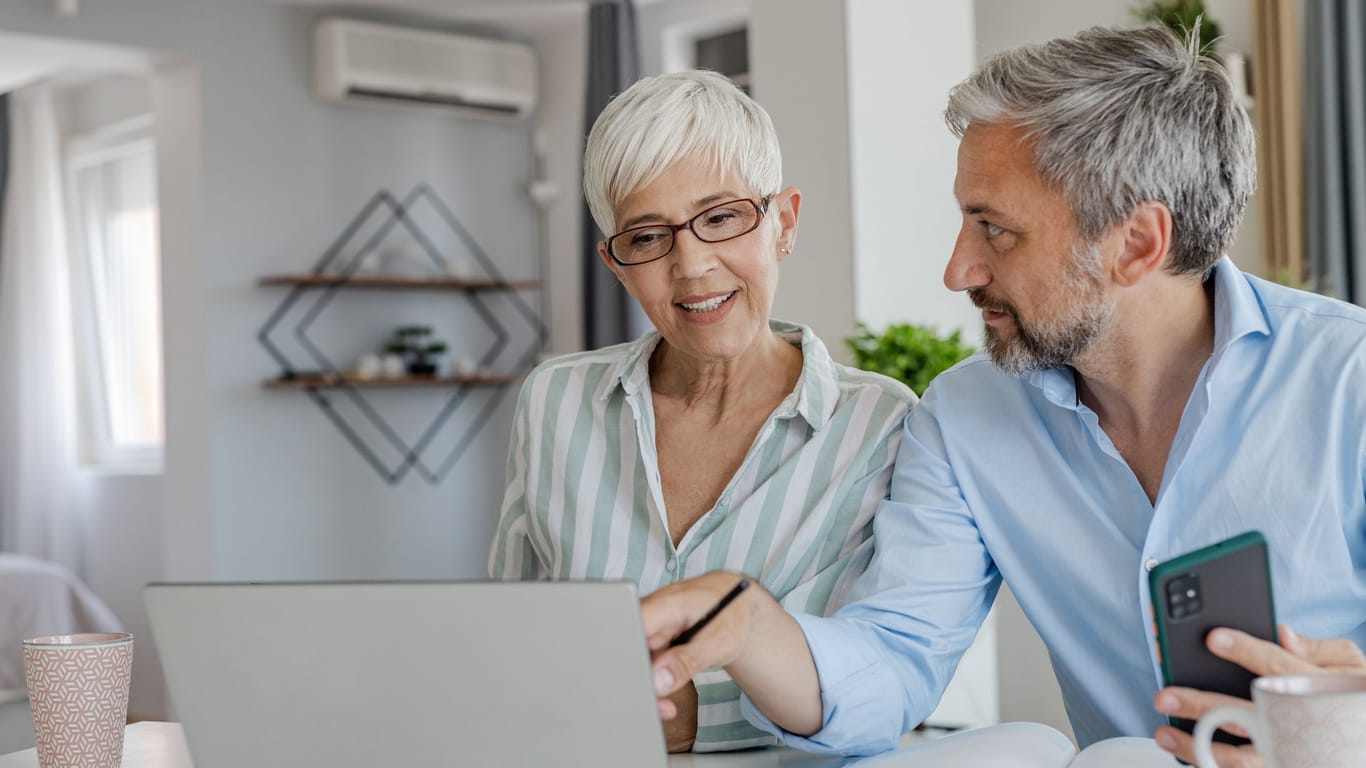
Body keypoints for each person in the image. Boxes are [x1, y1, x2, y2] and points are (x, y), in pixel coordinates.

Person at [639, 25, 1366, 767]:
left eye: (995, 229)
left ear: (1138, 244)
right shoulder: (963, 419)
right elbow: (894, 658)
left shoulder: (1350, 379)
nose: (958, 270)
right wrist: (749, 626)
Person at [488, 70, 915, 753]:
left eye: (720, 218)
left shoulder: (879, 427)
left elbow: (879, 677)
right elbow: (510, 633)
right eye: (649, 237)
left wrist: (690, 715)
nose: (691, 265)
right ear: (617, 264)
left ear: (785, 224)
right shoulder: (556, 401)